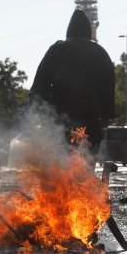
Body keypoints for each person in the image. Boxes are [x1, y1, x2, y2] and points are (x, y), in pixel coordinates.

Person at [29, 9, 115, 163]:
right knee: (85, 166)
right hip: (90, 123)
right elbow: (108, 88)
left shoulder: (56, 49)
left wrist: (34, 112)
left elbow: (40, 84)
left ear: (69, 31)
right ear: (88, 32)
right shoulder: (100, 52)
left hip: (59, 123)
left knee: (59, 168)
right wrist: (107, 115)